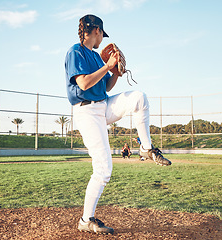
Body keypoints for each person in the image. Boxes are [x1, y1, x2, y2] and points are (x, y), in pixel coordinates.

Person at [65, 14, 171, 235]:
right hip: (87, 112)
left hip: (103, 105)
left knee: (139, 98)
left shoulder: (95, 57)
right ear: (96, 31)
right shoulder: (75, 51)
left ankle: (145, 148)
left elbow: (106, 88)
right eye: (101, 34)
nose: (102, 39)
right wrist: (108, 66)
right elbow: (83, 83)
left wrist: (115, 72)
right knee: (103, 169)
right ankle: (86, 219)